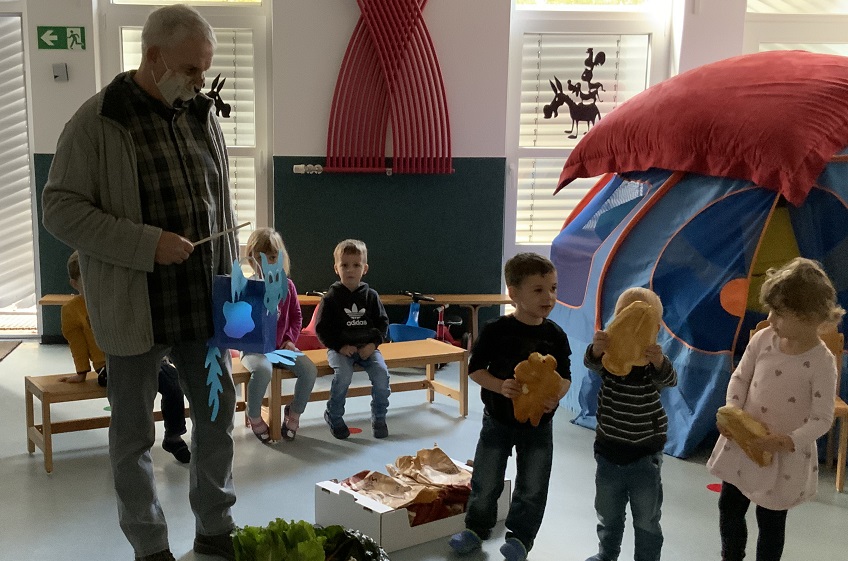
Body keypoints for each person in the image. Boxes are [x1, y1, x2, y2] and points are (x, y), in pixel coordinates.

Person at [41, 5, 240, 561]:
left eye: (205, 70)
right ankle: (151, 547)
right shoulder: (97, 120)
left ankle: (215, 529)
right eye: (192, 69)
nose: (202, 81)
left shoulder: (201, 113)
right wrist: (144, 243)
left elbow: (218, 199)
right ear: (153, 56)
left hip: (204, 304)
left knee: (218, 423)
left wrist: (235, 270)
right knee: (133, 439)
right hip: (135, 309)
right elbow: (58, 210)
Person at [707, 257, 843, 561]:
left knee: (770, 521)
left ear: (809, 316)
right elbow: (740, 378)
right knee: (730, 505)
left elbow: (822, 418)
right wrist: (732, 411)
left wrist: (787, 441)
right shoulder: (764, 340)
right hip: (744, 445)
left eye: (779, 313)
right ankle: (732, 556)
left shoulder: (821, 363)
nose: (770, 319)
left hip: (783, 456)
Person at [449, 252, 571, 561]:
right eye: (539, 289)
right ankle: (476, 528)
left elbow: (565, 377)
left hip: (538, 426)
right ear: (513, 293)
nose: (550, 296)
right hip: (498, 423)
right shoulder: (496, 331)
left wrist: (555, 395)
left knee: (533, 485)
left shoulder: (555, 335)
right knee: (486, 480)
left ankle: (521, 539)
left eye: (554, 288)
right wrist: (500, 386)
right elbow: (475, 369)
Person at [60, 251, 192, 464]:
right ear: (75, 284)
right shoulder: (72, 310)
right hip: (108, 365)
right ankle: (134, 444)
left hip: (141, 353)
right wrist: (81, 372)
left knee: (173, 382)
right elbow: (76, 343)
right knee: (137, 390)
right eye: (88, 280)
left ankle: (173, 435)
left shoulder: (115, 299)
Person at [582, 287, 678, 561]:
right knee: (608, 512)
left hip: (645, 456)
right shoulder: (611, 361)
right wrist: (597, 349)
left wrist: (659, 360)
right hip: (609, 451)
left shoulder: (652, 366)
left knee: (647, 518)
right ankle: (607, 554)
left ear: (655, 330)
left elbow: (670, 380)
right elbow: (591, 363)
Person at [241, 228, 318, 442]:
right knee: (263, 371)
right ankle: (254, 414)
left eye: (272, 257)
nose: (267, 263)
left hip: (280, 349)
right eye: (260, 258)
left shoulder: (288, 286)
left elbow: (296, 317)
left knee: (309, 370)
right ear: (251, 260)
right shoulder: (248, 288)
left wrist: (289, 340)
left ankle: (294, 412)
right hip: (254, 350)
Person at [315, 239, 391, 439]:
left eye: (356, 265)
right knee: (344, 377)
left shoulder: (371, 296)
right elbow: (322, 329)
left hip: (368, 348)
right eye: (345, 265)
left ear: (364, 268)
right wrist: (339, 346)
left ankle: (379, 417)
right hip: (340, 350)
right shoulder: (330, 298)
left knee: (382, 376)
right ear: (336, 268)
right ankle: (334, 415)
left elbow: (382, 324)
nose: (350, 270)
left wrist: (372, 345)